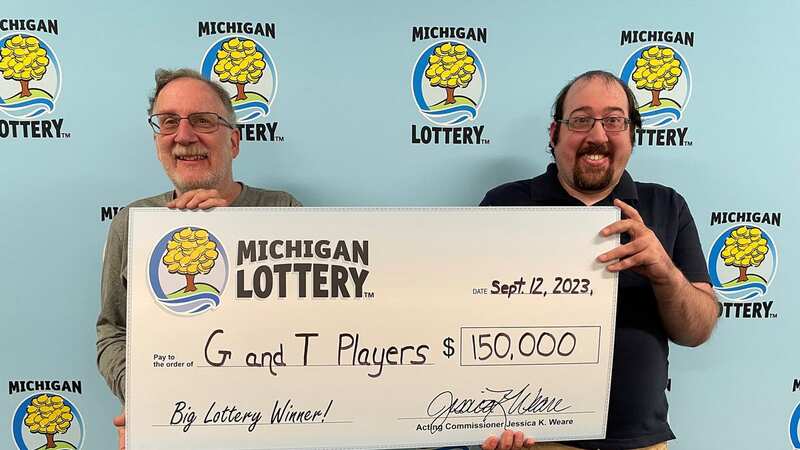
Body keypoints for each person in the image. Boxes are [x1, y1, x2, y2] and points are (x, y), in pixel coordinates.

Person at [479, 70, 718, 450]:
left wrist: (664, 273)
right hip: (531, 439)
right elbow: (468, 320)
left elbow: (698, 330)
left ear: (631, 134)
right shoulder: (504, 205)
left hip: (639, 443)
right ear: (554, 133)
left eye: (613, 120)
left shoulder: (667, 206)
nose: (597, 135)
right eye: (580, 120)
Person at [96, 68, 301, 449]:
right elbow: (113, 330)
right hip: (177, 425)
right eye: (169, 121)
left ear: (234, 142)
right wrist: (143, 397)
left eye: (203, 121)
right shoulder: (134, 223)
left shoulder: (283, 210)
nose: (184, 135)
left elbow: (315, 324)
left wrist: (229, 227)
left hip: (271, 423)